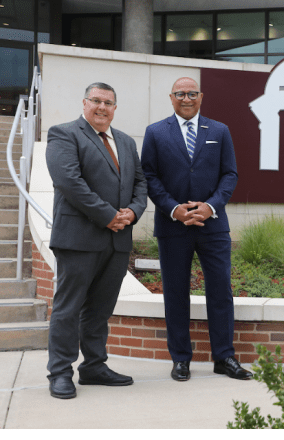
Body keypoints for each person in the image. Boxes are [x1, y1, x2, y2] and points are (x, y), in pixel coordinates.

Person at [140, 77, 251, 381]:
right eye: (180, 94)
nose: (186, 99)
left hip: (212, 225)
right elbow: (149, 176)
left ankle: (224, 357)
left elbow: (230, 174)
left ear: (201, 97)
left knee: (220, 292)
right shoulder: (155, 132)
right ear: (171, 97)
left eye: (191, 94)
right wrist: (174, 209)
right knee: (176, 293)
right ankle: (180, 359)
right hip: (172, 226)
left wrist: (210, 206)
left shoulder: (219, 131)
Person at [45, 82, 148, 399]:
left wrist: (131, 212)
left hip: (116, 242)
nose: (102, 107)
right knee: (68, 308)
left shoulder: (127, 142)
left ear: (115, 108)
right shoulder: (64, 134)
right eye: (96, 101)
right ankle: (60, 372)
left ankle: (93, 367)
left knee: (100, 309)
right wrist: (108, 215)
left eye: (109, 102)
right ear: (84, 102)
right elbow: (69, 182)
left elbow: (141, 184)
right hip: (78, 238)